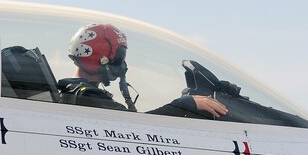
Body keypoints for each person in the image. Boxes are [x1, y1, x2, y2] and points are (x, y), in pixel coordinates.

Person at [59, 23, 228, 119]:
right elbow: (135, 127)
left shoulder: (73, 92)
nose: (122, 65)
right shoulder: (88, 97)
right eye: (119, 57)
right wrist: (185, 105)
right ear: (100, 57)